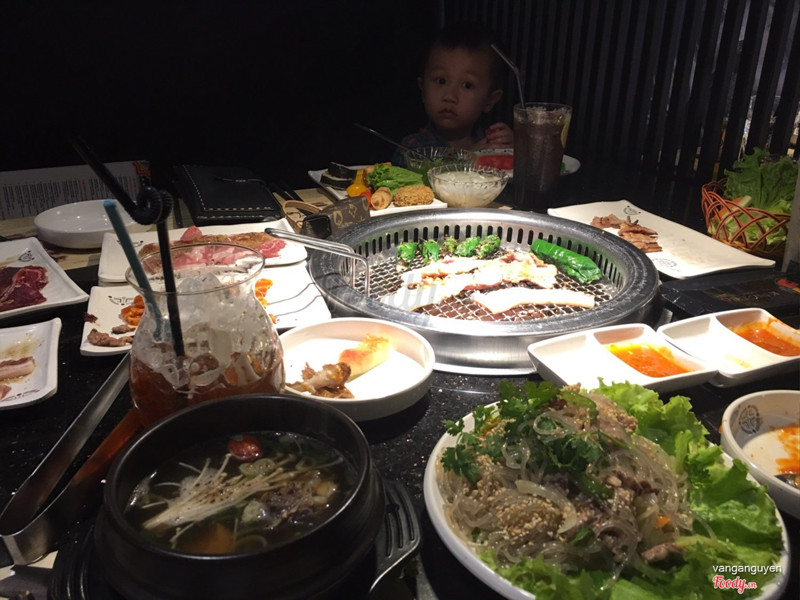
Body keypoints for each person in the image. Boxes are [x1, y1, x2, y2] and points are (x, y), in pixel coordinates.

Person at [395, 22, 513, 165]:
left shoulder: (487, 141)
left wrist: (511, 149)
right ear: (422, 88)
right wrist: (466, 158)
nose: (449, 96)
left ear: (490, 100)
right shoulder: (413, 148)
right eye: (441, 81)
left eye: (467, 85)